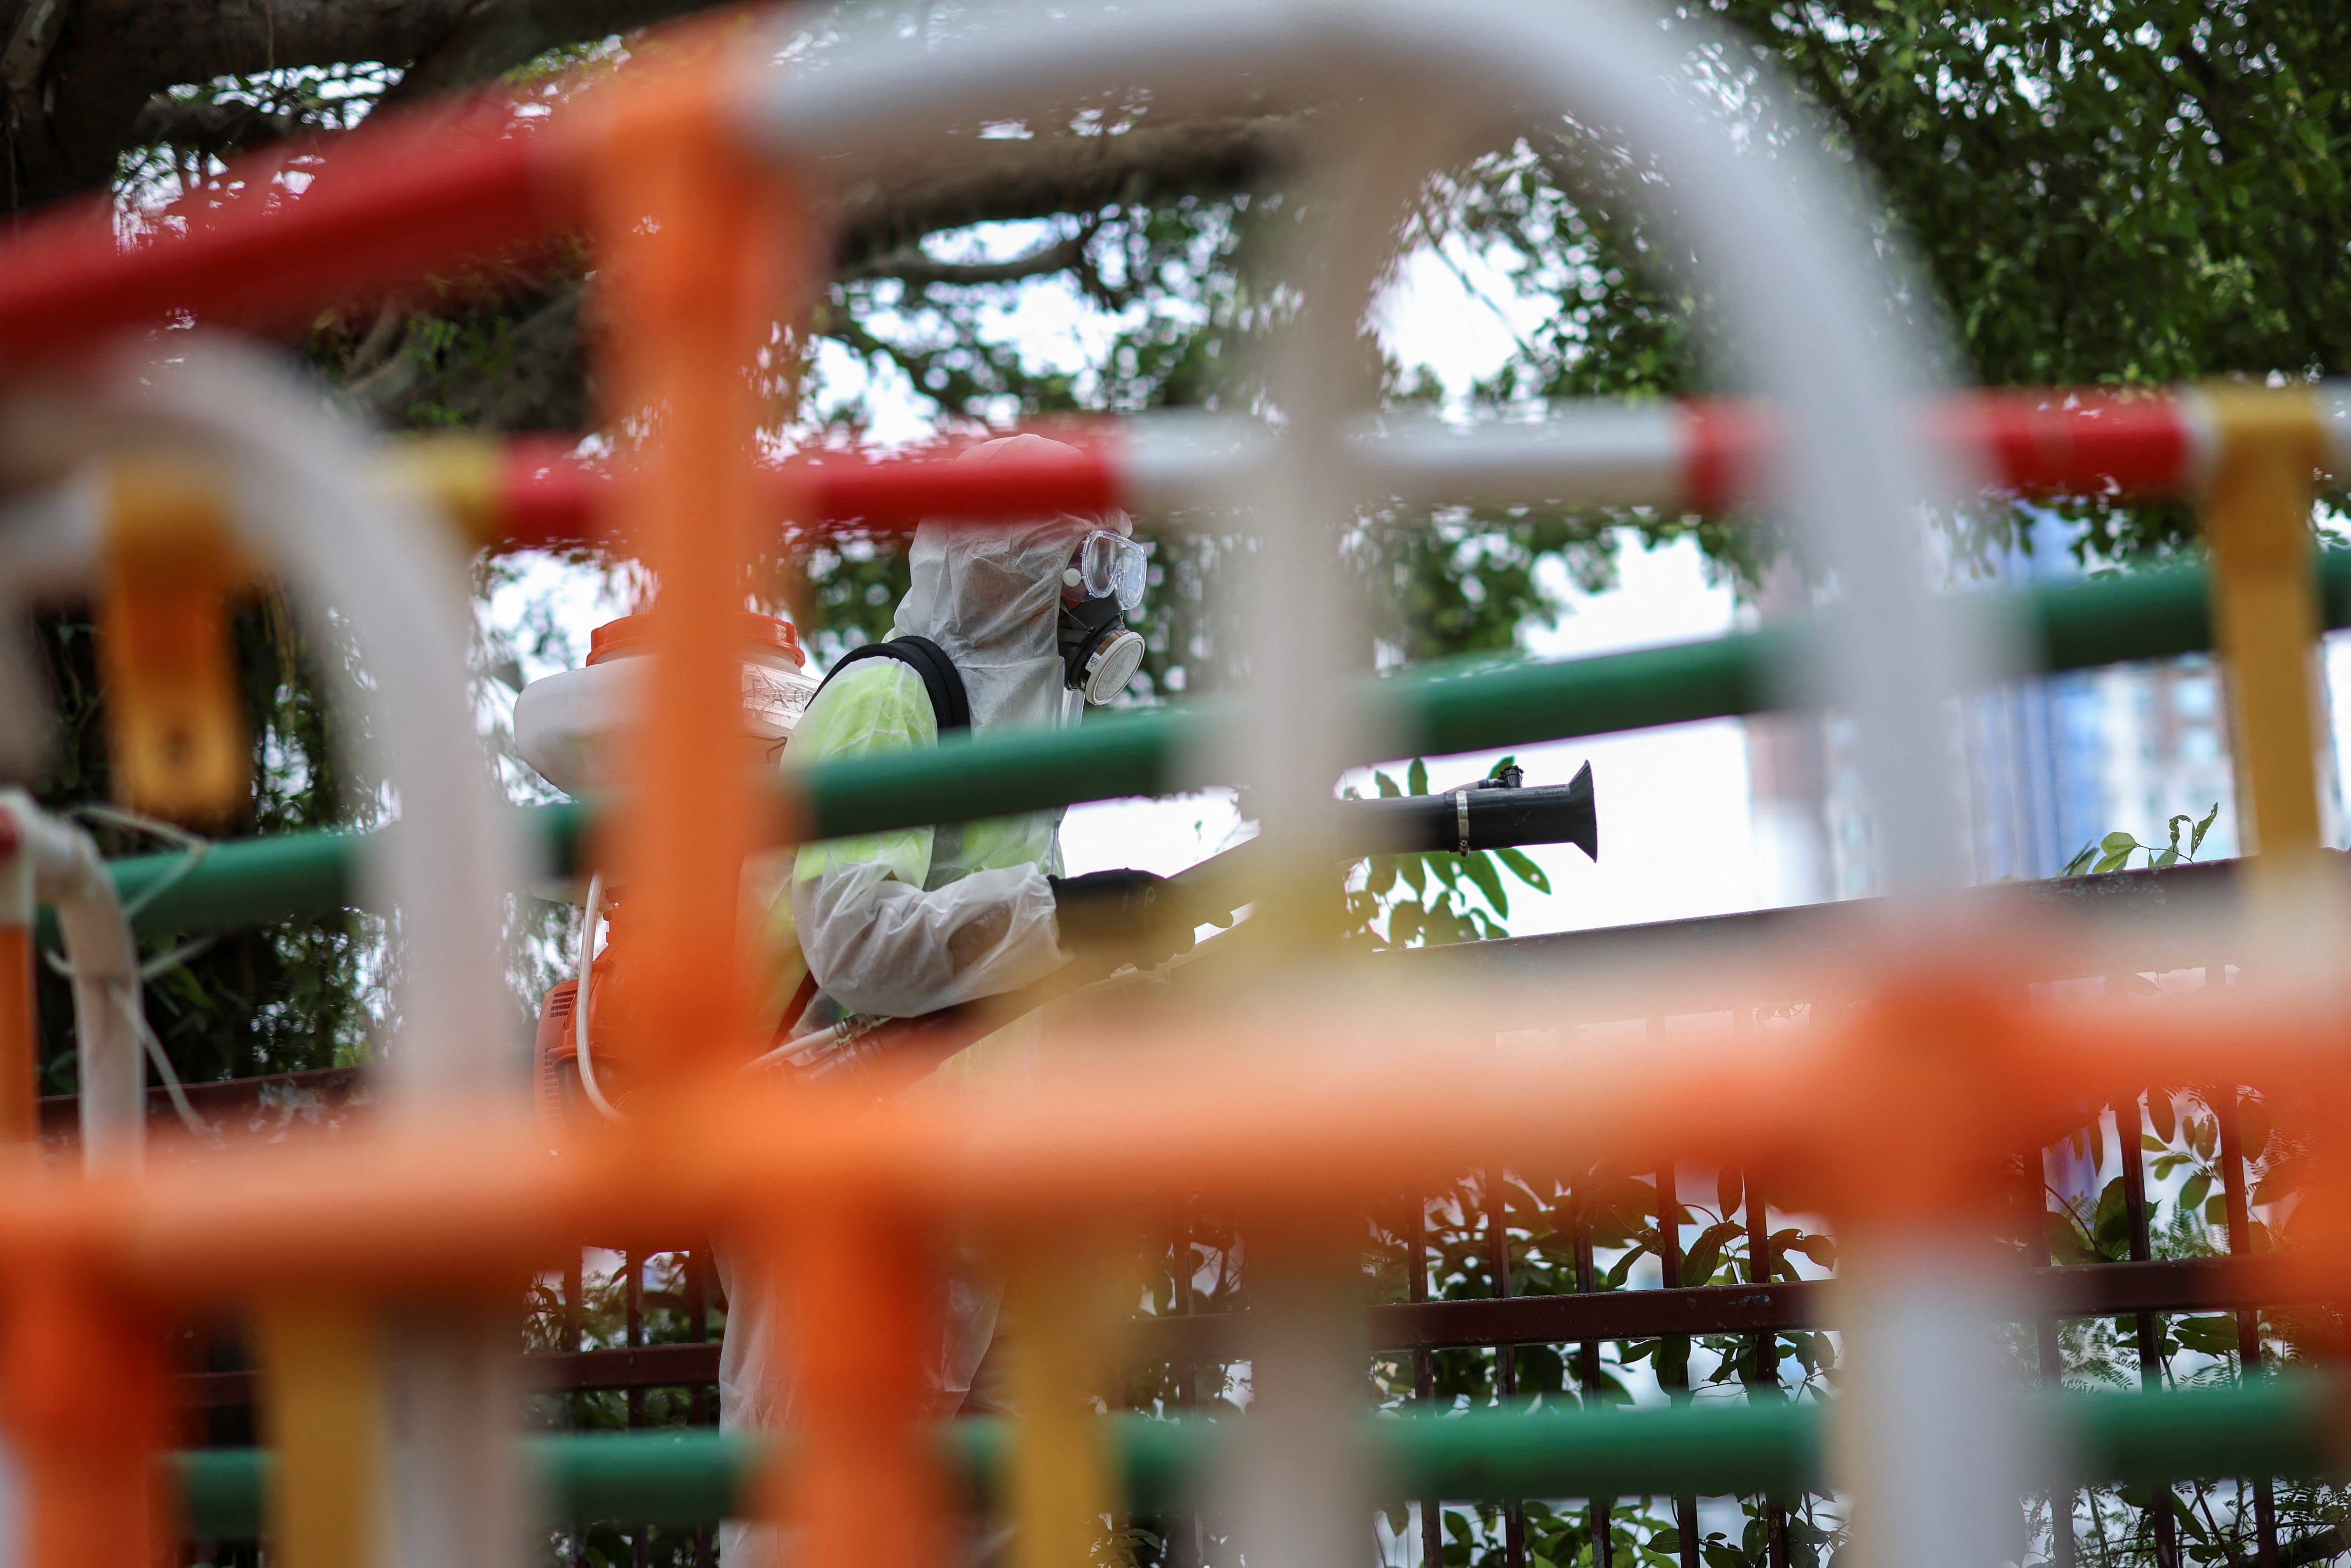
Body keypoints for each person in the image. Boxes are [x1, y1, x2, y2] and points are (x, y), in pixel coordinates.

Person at [717, 433, 1192, 1565]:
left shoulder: (1027, 748)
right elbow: (859, 944)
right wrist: (1063, 917)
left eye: (1114, 572)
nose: (1101, 602)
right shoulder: (889, 698)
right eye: (1088, 566)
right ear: (1014, 566)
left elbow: (995, 970)